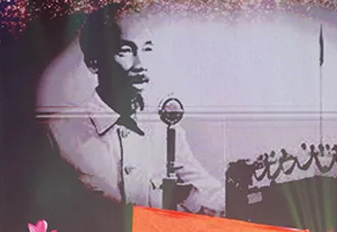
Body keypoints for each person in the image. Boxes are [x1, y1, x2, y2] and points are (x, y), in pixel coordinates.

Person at [47, 3, 223, 214]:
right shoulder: (61, 131)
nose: (141, 64)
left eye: (147, 49)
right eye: (125, 51)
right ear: (94, 62)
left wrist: (190, 198)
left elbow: (212, 194)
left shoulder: (164, 130)